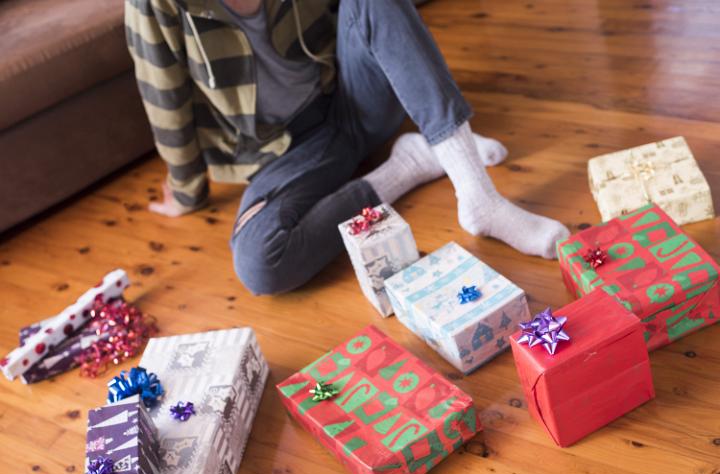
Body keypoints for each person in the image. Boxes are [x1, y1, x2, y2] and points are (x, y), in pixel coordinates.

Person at [125, 0, 569, 295]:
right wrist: (186, 190)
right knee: (261, 261)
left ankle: (477, 194)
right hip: (281, 154)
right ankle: (409, 164)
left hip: (353, 103)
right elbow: (162, 92)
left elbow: (372, 19)